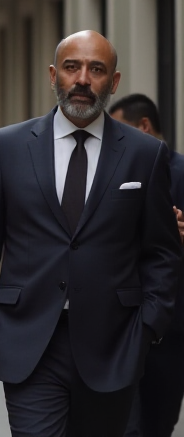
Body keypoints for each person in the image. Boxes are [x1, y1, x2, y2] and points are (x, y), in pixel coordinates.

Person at [0, 31, 181, 436]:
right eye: (72, 67)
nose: (83, 79)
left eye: (97, 70)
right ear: (53, 75)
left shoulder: (145, 155)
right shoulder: (8, 147)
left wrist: (149, 326)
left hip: (115, 342)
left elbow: (161, 251)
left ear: (114, 82)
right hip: (29, 338)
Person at [109, 94, 184, 437]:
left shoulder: (180, 172)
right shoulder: (114, 171)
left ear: (144, 126)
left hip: (171, 329)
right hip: (121, 325)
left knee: (159, 421)